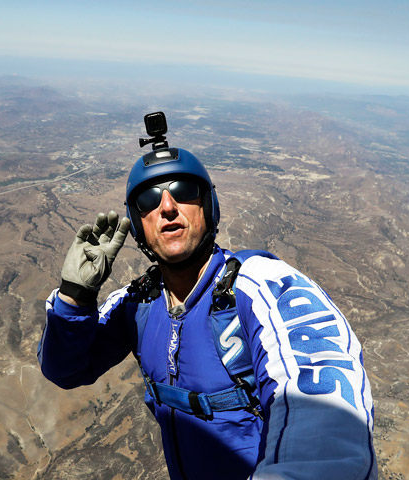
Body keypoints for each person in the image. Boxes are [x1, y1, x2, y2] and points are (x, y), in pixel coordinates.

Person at [38, 113, 376, 480]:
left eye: (184, 192)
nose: (167, 207)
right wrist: (75, 298)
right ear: (137, 225)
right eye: (149, 200)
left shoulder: (262, 286)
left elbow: (326, 419)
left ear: (209, 206)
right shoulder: (137, 304)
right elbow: (65, 370)